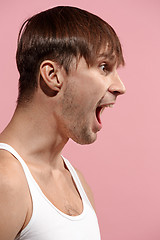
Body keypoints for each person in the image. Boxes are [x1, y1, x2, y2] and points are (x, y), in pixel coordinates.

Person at [0, 6, 126, 240]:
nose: (120, 87)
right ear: (53, 75)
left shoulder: (77, 182)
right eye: (104, 67)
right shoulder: (6, 179)